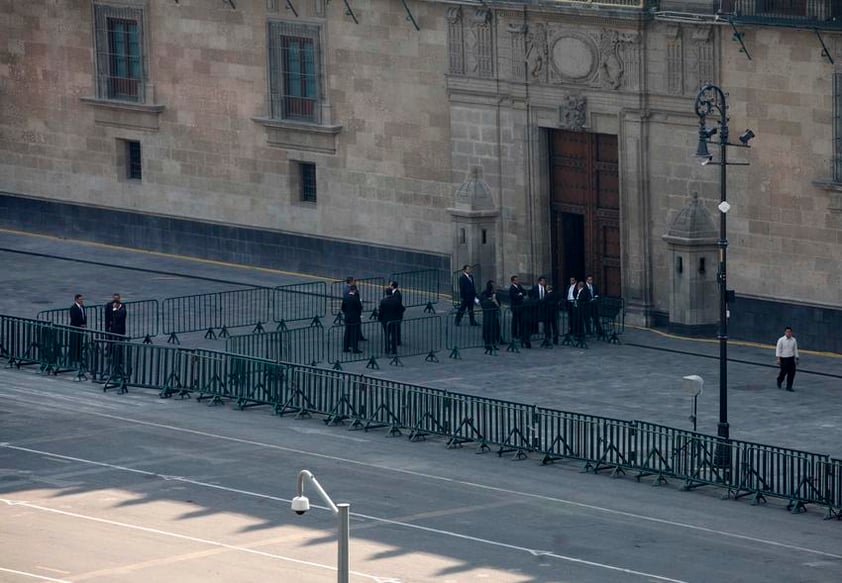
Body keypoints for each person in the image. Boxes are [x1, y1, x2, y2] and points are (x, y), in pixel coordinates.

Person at [509, 275, 530, 348]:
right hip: (515, 306)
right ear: (513, 281)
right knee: (515, 320)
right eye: (516, 280)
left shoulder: (519, 286)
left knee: (520, 320)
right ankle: (514, 333)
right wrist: (520, 295)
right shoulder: (512, 288)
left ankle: (520, 333)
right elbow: (515, 297)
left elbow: (524, 292)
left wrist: (520, 294)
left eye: (517, 280)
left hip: (520, 306)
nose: (517, 281)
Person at [775, 326, 799, 392]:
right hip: (784, 359)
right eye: (787, 332)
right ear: (785, 332)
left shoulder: (794, 340)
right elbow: (778, 349)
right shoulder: (781, 340)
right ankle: (779, 380)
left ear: (792, 333)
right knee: (783, 372)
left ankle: (789, 386)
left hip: (791, 358)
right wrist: (778, 358)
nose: (789, 333)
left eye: (790, 332)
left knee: (792, 373)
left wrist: (797, 358)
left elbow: (795, 349)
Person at [378, 287, 401, 354]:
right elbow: (401, 309)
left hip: (385, 320)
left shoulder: (383, 301)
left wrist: (380, 318)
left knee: (387, 335)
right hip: (394, 320)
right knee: (394, 335)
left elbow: (381, 311)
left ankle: (387, 349)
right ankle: (394, 350)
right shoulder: (396, 301)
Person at [479, 280, 501, 349]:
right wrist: (490, 300)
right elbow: (482, 302)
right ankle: (488, 344)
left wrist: (495, 301)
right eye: (494, 286)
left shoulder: (494, 294)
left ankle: (494, 343)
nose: (495, 287)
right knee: (488, 329)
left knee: (494, 329)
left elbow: (498, 304)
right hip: (488, 314)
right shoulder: (484, 293)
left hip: (494, 314)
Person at [341, 285, 363, 353]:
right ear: (355, 290)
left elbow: (343, 308)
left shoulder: (345, 297)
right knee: (354, 333)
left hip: (347, 317)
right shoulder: (355, 299)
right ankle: (355, 348)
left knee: (347, 332)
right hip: (355, 317)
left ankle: (345, 347)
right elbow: (359, 308)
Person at [69, 294, 87, 366]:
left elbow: (84, 316)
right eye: (80, 299)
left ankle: (79, 356)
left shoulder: (82, 307)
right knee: (75, 342)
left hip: (81, 328)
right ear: (76, 300)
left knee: (80, 341)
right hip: (75, 327)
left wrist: (84, 323)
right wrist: (80, 325)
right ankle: (74, 356)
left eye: (82, 299)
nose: (82, 300)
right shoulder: (73, 308)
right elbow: (74, 319)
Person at [389, 280, 405, 346]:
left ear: (393, 286)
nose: (389, 286)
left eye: (390, 285)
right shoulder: (395, 293)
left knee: (396, 327)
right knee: (396, 327)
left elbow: (397, 304)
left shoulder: (397, 294)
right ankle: (396, 340)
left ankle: (397, 340)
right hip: (397, 313)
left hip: (397, 314)